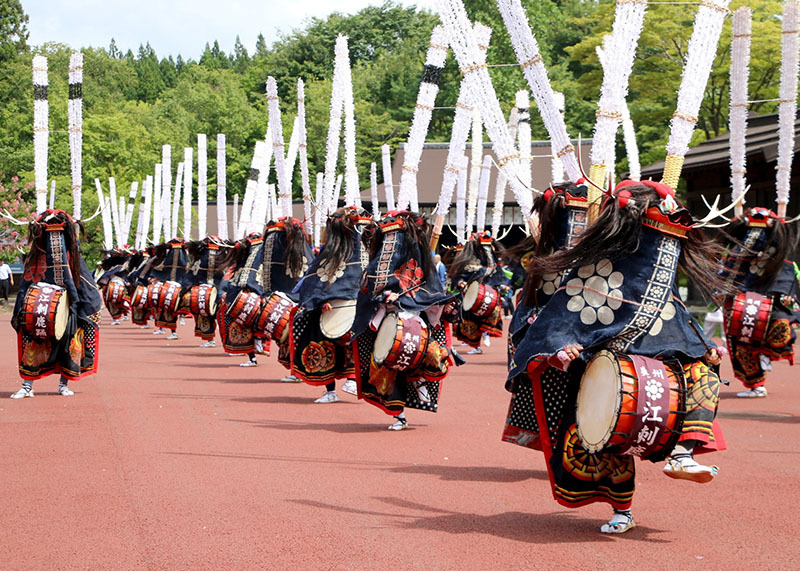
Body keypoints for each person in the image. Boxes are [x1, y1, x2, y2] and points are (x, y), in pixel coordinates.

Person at [509, 181, 728, 534]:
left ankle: (683, 453)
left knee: (705, 375)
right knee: (609, 435)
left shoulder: (659, 254)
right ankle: (622, 508)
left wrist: (703, 346)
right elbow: (567, 312)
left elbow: (675, 309)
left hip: (660, 347)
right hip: (603, 354)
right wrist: (564, 347)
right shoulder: (592, 266)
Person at [352, 210, 453, 430]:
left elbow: (430, 288)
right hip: (386, 313)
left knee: (421, 348)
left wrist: (410, 296)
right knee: (385, 362)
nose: (391, 241)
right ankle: (399, 413)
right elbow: (373, 283)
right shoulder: (383, 255)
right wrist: (382, 295)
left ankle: (421, 380)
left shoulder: (420, 257)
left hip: (411, 312)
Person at [10, 209, 102, 398]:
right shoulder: (37, 257)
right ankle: (27, 386)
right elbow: (26, 285)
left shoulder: (73, 257)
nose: (55, 239)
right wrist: (23, 308)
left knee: (70, 345)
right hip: (39, 308)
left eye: (59, 233)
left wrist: (80, 304)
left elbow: (85, 285)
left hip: (70, 308)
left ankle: (63, 384)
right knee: (33, 343)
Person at [290, 207, 372, 401]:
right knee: (322, 340)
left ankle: (352, 379)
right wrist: (321, 301)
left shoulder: (365, 251)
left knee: (355, 343)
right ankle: (330, 391)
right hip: (330, 308)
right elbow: (316, 281)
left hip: (356, 306)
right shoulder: (331, 252)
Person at [717, 207, 799, 397]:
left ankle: (765, 355)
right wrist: (720, 291)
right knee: (739, 342)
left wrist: (786, 296)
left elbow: (786, 275)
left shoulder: (778, 258)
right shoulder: (736, 256)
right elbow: (725, 270)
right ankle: (756, 384)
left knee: (781, 324)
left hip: (766, 297)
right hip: (738, 297)